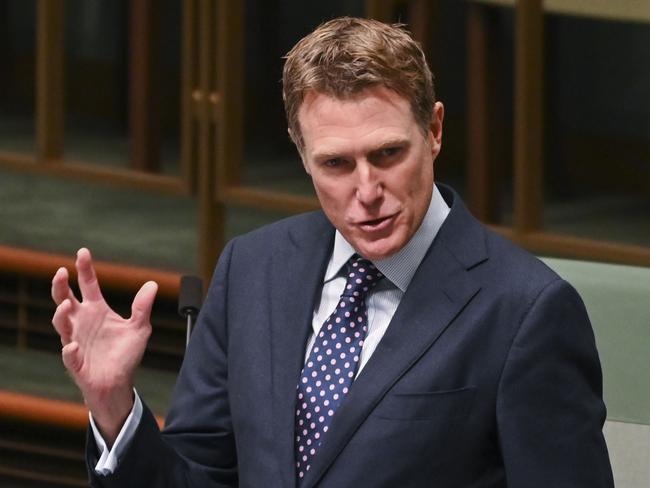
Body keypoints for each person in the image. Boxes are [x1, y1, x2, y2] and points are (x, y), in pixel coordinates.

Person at [51, 17, 614, 487]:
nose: (367, 193)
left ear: (435, 130)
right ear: (301, 155)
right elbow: (199, 476)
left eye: (388, 153)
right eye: (336, 164)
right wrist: (114, 406)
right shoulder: (253, 268)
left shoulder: (527, 311)